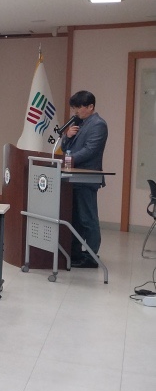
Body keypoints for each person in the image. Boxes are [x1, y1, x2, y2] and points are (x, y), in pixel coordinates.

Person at [61, 90, 109, 267]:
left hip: (87, 178)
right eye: (74, 107)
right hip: (73, 178)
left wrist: (68, 159)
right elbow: (65, 148)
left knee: (88, 219)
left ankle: (91, 257)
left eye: (79, 107)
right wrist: (67, 136)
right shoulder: (79, 123)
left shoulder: (98, 124)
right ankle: (75, 253)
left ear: (90, 107)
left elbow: (90, 150)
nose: (76, 111)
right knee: (75, 218)